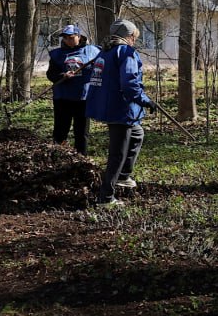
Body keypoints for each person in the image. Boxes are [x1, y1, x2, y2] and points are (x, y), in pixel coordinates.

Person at [87, 20, 155, 205]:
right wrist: (145, 100)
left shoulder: (104, 52)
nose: (134, 40)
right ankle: (106, 197)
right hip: (121, 108)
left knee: (137, 133)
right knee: (117, 153)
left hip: (108, 105)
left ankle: (124, 175)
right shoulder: (126, 52)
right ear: (130, 36)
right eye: (135, 37)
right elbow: (129, 84)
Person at [45, 24, 101, 154]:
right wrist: (62, 76)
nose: (68, 40)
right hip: (62, 98)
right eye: (65, 38)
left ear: (79, 37)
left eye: (71, 37)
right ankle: (58, 155)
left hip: (83, 98)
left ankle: (81, 158)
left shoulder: (93, 51)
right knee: (60, 129)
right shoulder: (57, 55)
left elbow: (101, 68)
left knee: (81, 132)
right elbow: (51, 74)